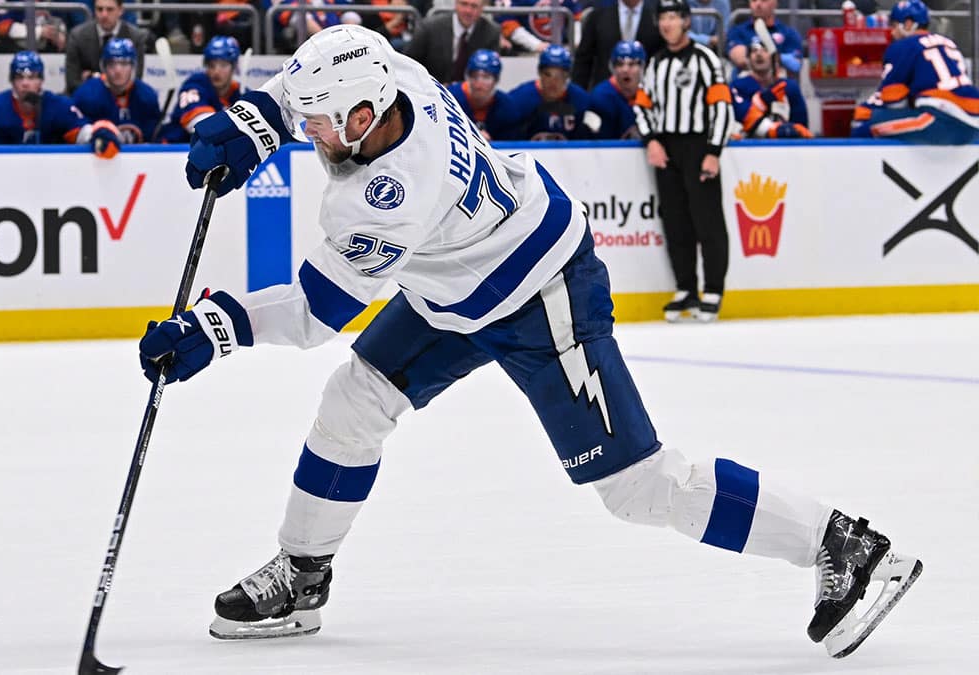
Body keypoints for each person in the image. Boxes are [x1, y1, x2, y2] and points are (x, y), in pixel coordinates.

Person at [140, 23, 922, 657]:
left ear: (360, 121)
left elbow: (314, 311)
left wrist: (213, 327)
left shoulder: (385, 196)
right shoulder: (389, 72)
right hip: (456, 282)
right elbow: (309, 80)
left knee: (640, 487)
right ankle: (304, 572)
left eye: (315, 123)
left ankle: (844, 543)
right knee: (354, 401)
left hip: (540, 288)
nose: (306, 130)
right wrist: (255, 121)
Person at [633, 0, 731, 322]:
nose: (666, 23)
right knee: (675, 221)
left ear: (686, 22)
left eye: (673, 17)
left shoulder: (705, 60)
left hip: (698, 144)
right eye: (662, 17)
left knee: (707, 220)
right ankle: (686, 287)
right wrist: (652, 141)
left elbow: (721, 107)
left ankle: (713, 288)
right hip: (667, 149)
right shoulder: (656, 63)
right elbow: (642, 106)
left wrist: (713, 151)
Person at [850, 0, 979, 144]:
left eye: (894, 26)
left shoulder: (903, 46)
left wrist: (866, 110)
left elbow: (893, 101)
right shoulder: (948, 42)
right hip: (974, 118)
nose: (892, 32)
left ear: (908, 24)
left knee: (864, 126)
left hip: (942, 119)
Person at [0, 50, 120, 158]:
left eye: (32, 77)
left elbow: (82, 132)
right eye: (19, 77)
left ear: (41, 81)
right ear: (11, 81)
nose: (25, 83)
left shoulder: (59, 106)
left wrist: (98, 133)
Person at [72, 38, 162, 144]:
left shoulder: (147, 96)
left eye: (124, 63)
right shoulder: (86, 95)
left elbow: (153, 139)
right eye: (112, 64)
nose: (118, 70)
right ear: (104, 67)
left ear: (133, 67)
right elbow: (76, 133)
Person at [159, 35, 242, 144]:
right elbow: (201, 125)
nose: (216, 71)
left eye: (223, 65)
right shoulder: (195, 84)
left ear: (234, 67)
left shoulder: (238, 94)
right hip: (173, 150)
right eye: (212, 65)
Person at [507, 44, 600, 140]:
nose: (553, 82)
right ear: (539, 73)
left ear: (567, 76)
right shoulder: (519, 99)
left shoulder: (581, 100)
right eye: (548, 74)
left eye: (560, 75)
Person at [730, 35, 811, 139]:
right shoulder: (737, 86)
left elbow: (801, 126)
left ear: (775, 57)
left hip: (785, 148)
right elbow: (746, 119)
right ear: (748, 59)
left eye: (764, 50)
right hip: (750, 147)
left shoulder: (789, 87)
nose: (759, 54)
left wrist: (792, 131)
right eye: (754, 51)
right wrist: (763, 100)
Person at [571, 0, 662, 91]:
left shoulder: (658, 16)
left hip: (647, 93)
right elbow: (583, 61)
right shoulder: (597, 16)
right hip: (605, 94)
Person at [404, 0, 501, 84]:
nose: (468, 11)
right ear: (456, 4)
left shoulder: (491, 32)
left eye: (474, 6)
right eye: (464, 4)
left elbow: (490, 73)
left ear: (482, 9)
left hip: (470, 97)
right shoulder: (429, 27)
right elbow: (409, 63)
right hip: (431, 91)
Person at [65, 0, 150, 95]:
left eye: (110, 10)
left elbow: (134, 80)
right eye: (99, 9)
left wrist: (93, 77)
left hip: (121, 101)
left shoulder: (136, 37)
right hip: (87, 100)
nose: (104, 15)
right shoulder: (77, 36)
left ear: (120, 10)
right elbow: (72, 82)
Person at [446, 49, 523, 141]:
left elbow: (510, 146)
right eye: (474, 76)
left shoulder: (507, 107)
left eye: (486, 77)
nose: (479, 83)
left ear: (496, 80)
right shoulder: (450, 97)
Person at [588, 40, 649, 140]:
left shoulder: (649, 95)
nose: (625, 70)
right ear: (612, 68)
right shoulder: (600, 98)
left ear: (642, 67)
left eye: (632, 64)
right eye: (620, 64)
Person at [725, 0, 801, 77]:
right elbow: (740, 60)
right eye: (754, 0)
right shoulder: (738, 31)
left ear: (775, 3)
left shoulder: (788, 33)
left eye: (764, 0)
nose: (758, 4)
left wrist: (772, 56)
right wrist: (779, 58)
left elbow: (795, 65)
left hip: (778, 83)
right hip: (746, 84)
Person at [493, 0, 584, 54]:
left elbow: (577, 17)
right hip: (525, 53)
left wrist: (576, 42)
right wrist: (536, 45)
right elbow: (508, 24)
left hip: (563, 49)